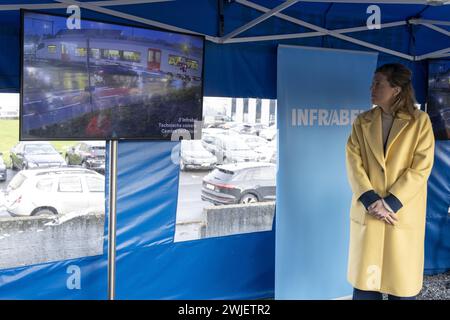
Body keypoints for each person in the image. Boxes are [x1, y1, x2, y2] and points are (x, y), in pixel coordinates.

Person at [345, 63, 435, 300]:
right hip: (370, 211)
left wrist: (390, 203)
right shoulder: (362, 122)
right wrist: (371, 199)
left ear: (396, 89)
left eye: (378, 83)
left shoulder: (420, 121)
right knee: (365, 289)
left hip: (399, 214)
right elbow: (353, 163)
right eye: (373, 83)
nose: (371, 88)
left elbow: (421, 167)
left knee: (401, 288)